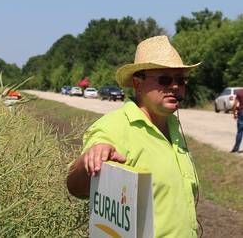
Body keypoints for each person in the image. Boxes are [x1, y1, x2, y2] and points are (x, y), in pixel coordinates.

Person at [66, 35, 201, 238]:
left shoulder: (173, 125)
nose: (175, 86)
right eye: (165, 79)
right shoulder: (113, 127)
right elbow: (75, 186)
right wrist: (90, 159)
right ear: (138, 84)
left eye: (180, 80)